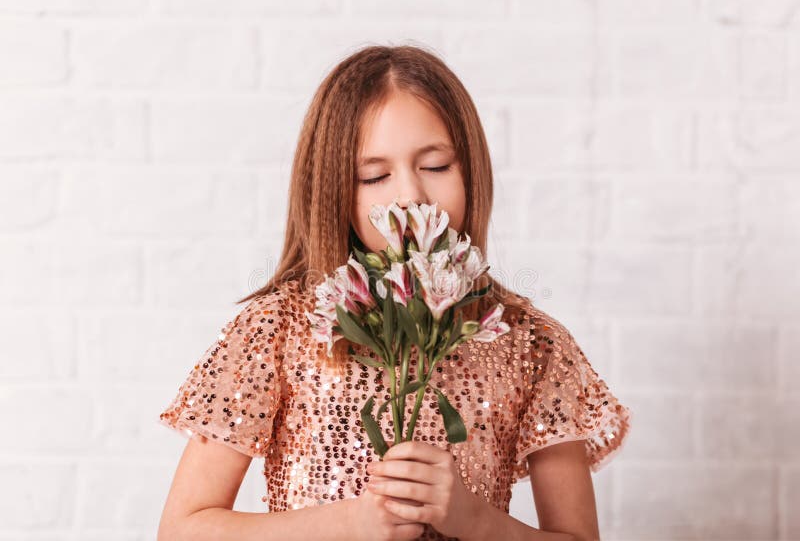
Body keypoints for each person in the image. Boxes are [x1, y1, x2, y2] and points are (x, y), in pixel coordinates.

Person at [156, 44, 632, 541]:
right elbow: (183, 529)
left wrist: (477, 522)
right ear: (333, 188)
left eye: (437, 166)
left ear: (473, 170)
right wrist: (345, 523)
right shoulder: (278, 329)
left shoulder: (532, 344)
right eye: (375, 176)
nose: (410, 197)